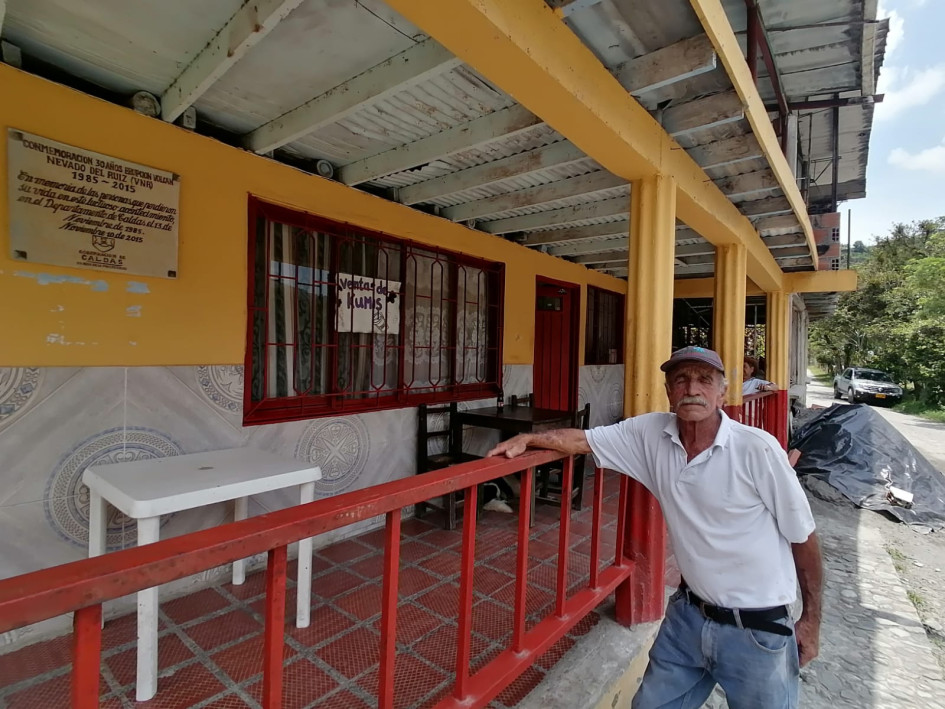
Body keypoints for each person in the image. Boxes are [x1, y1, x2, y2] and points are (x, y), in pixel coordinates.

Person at [487, 346, 822, 709]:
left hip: (758, 630)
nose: (692, 388)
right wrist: (529, 439)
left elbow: (803, 538)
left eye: (704, 380)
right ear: (668, 391)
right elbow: (583, 440)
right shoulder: (651, 432)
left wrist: (811, 621)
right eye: (681, 379)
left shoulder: (757, 449)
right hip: (688, 617)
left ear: (723, 392)